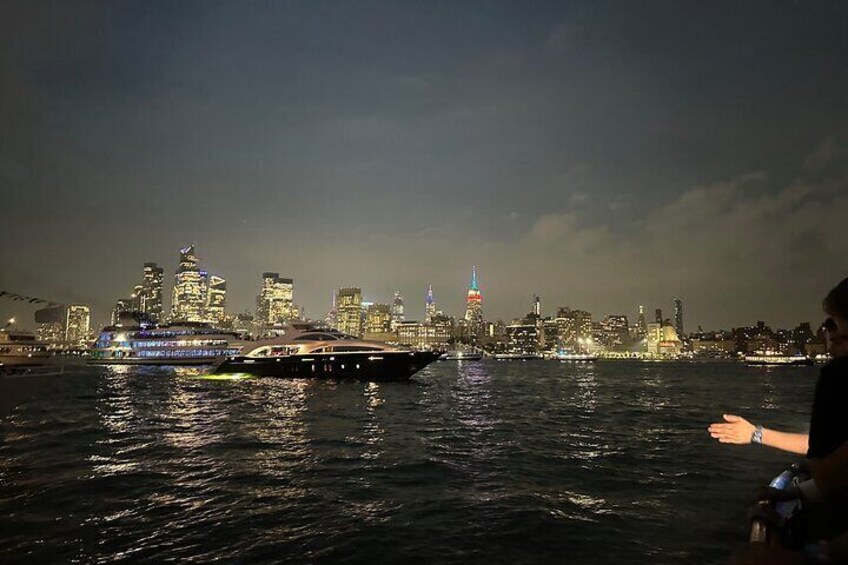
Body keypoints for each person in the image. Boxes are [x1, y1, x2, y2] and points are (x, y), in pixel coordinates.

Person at [708, 277, 848, 460]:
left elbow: (825, 470)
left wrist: (754, 434)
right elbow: (824, 446)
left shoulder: (836, 376)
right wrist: (754, 434)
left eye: (841, 338)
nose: (830, 350)